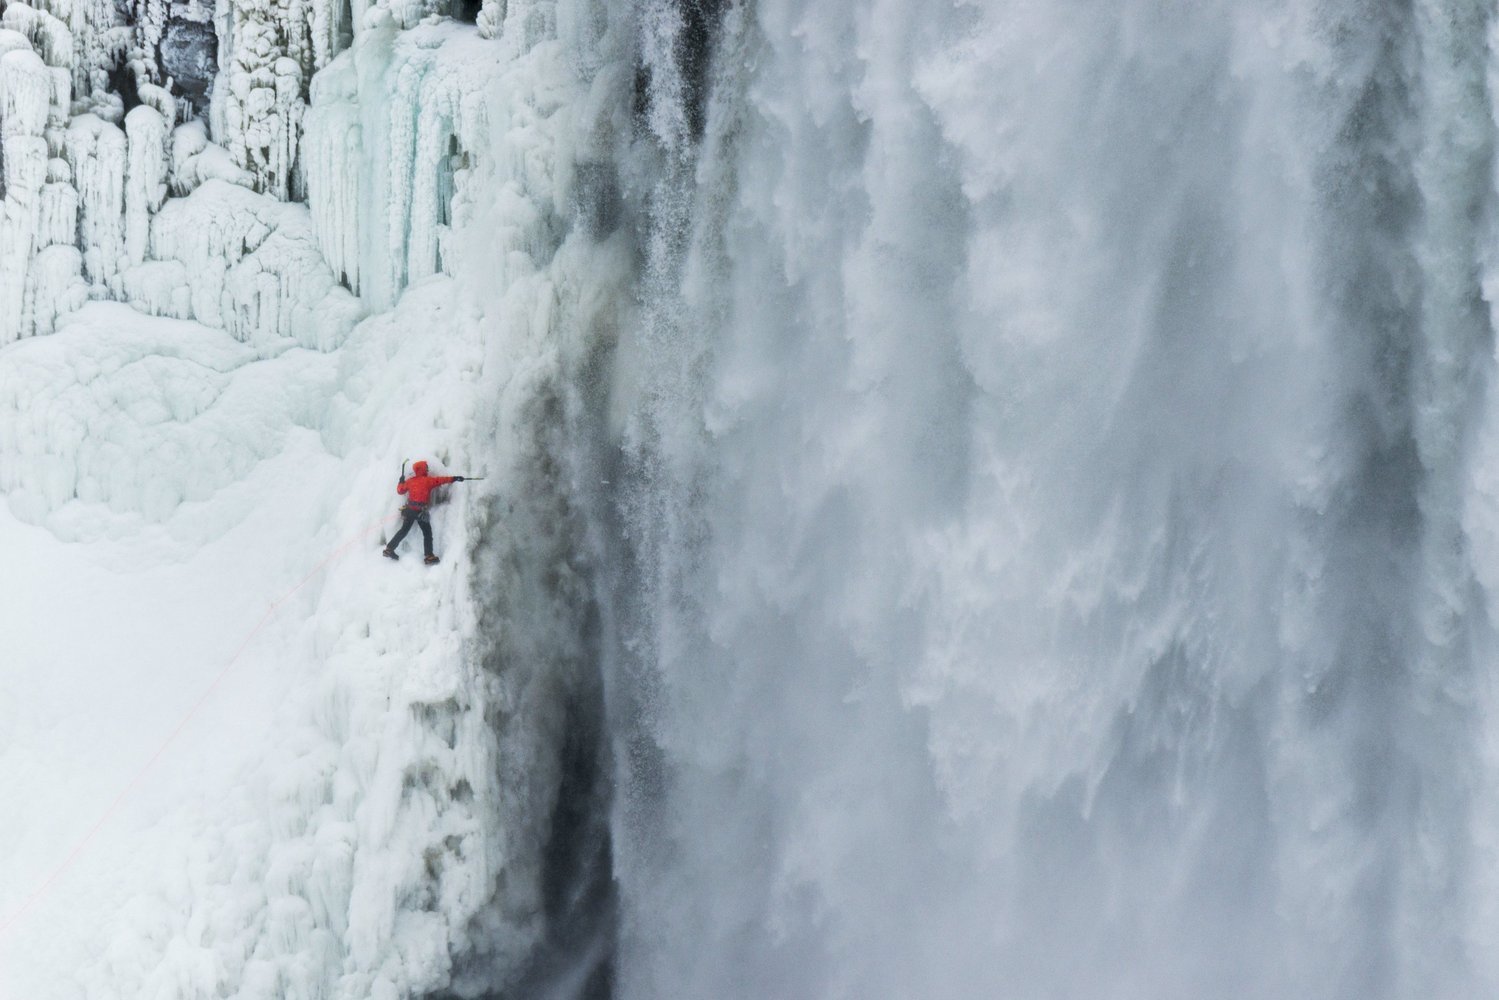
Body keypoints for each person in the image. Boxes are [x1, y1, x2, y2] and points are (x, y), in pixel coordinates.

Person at [383, 460, 467, 564]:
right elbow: (441, 480)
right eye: (426, 467)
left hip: (409, 510)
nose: (427, 469)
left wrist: (401, 481)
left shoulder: (410, 481)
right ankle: (429, 556)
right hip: (420, 512)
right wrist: (455, 478)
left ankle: (389, 549)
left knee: (403, 531)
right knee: (427, 533)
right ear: (422, 469)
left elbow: (400, 491)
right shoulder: (427, 481)